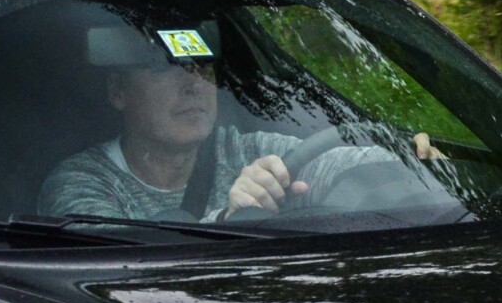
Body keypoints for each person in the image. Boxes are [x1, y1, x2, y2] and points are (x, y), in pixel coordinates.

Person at [36, 25, 430, 223]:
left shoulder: (243, 150)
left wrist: (409, 158)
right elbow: (127, 275)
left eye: (201, 65)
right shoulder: (80, 184)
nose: (192, 83)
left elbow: (331, 162)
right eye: (163, 68)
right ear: (118, 92)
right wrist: (230, 217)